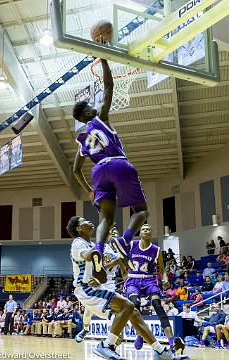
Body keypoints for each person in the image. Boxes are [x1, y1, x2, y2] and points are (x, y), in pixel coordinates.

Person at [68, 216, 188, 360]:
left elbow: (106, 264)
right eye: (84, 221)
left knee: (133, 312)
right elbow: (88, 256)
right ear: (78, 228)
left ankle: (160, 352)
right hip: (88, 289)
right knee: (128, 306)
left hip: (102, 286)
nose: (89, 221)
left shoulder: (98, 245)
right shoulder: (78, 243)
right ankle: (106, 344)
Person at [72, 57, 149, 283]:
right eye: (89, 107)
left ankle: (98, 248)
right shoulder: (101, 118)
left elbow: (76, 170)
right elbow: (109, 86)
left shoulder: (83, 139)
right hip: (117, 163)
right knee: (141, 212)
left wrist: (89, 191)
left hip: (98, 173)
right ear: (88, 114)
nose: (93, 106)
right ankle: (124, 240)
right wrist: (104, 58)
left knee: (106, 217)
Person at [123, 224, 185, 354]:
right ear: (140, 233)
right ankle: (141, 335)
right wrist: (124, 274)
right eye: (143, 229)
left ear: (151, 234)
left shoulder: (156, 249)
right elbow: (122, 260)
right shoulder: (132, 245)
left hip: (149, 280)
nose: (146, 230)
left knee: (157, 304)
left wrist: (165, 280)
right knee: (134, 304)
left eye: (148, 229)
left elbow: (161, 270)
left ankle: (172, 341)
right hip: (133, 280)